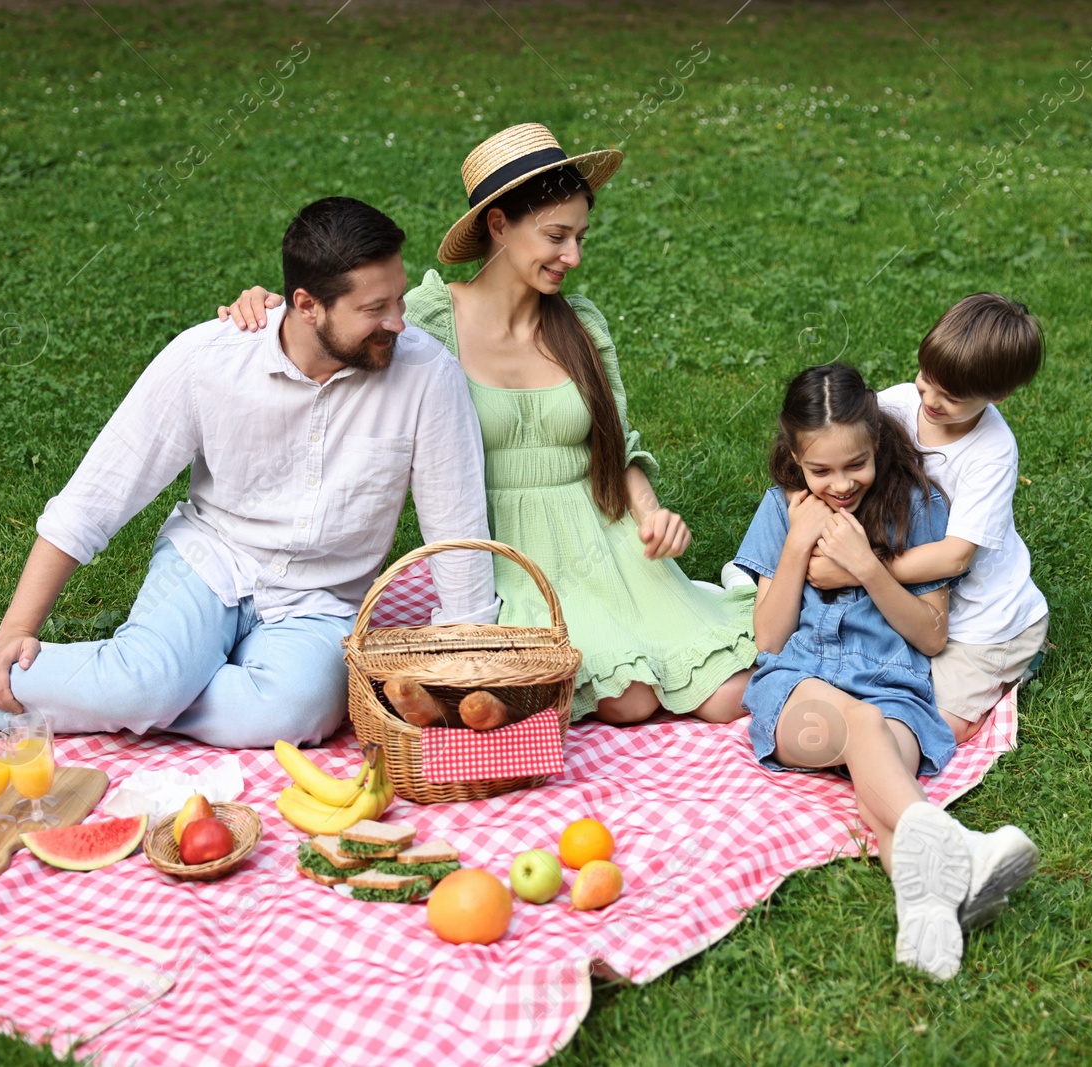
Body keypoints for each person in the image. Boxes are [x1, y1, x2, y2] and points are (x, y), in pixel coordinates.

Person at [0, 197, 496, 747]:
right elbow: (97, 496)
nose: (399, 323)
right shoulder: (209, 359)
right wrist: (12, 629)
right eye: (375, 309)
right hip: (211, 560)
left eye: (398, 299)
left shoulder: (426, 377)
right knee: (148, 684)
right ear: (305, 304)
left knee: (294, 717)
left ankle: (139, 684)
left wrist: (472, 670)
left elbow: (456, 524)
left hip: (321, 599)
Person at [219, 123, 756, 726]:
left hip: (605, 539)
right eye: (556, 236)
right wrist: (271, 311)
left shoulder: (580, 325)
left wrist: (651, 513)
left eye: (580, 237)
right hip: (504, 550)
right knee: (627, 700)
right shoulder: (427, 319)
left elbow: (619, 445)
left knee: (730, 693)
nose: (572, 257)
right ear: (498, 225)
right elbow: (338, 335)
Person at [731, 363, 1037, 982]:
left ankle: (927, 911)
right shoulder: (780, 509)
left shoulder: (919, 506)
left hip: (896, 693)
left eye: (856, 465)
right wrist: (797, 546)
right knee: (862, 727)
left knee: (882, 773)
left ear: (877, 440)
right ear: (795, 456)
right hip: (800, 694)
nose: (840, 484)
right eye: (820, 471)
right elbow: (769, 637)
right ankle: (961, 845)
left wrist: (868, 568)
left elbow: (930, 633)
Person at [808, 294, 1049, 743]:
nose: (931, 400)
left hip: (983, 622)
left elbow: (956, 557)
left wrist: (857, 569)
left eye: (951, 397)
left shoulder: (992, 452)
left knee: (931, 724)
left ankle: (1019, 658)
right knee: (866, 685)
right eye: (926, 380)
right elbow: (835, 444)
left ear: (998, 395)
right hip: (919, 597)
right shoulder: (897, 403)